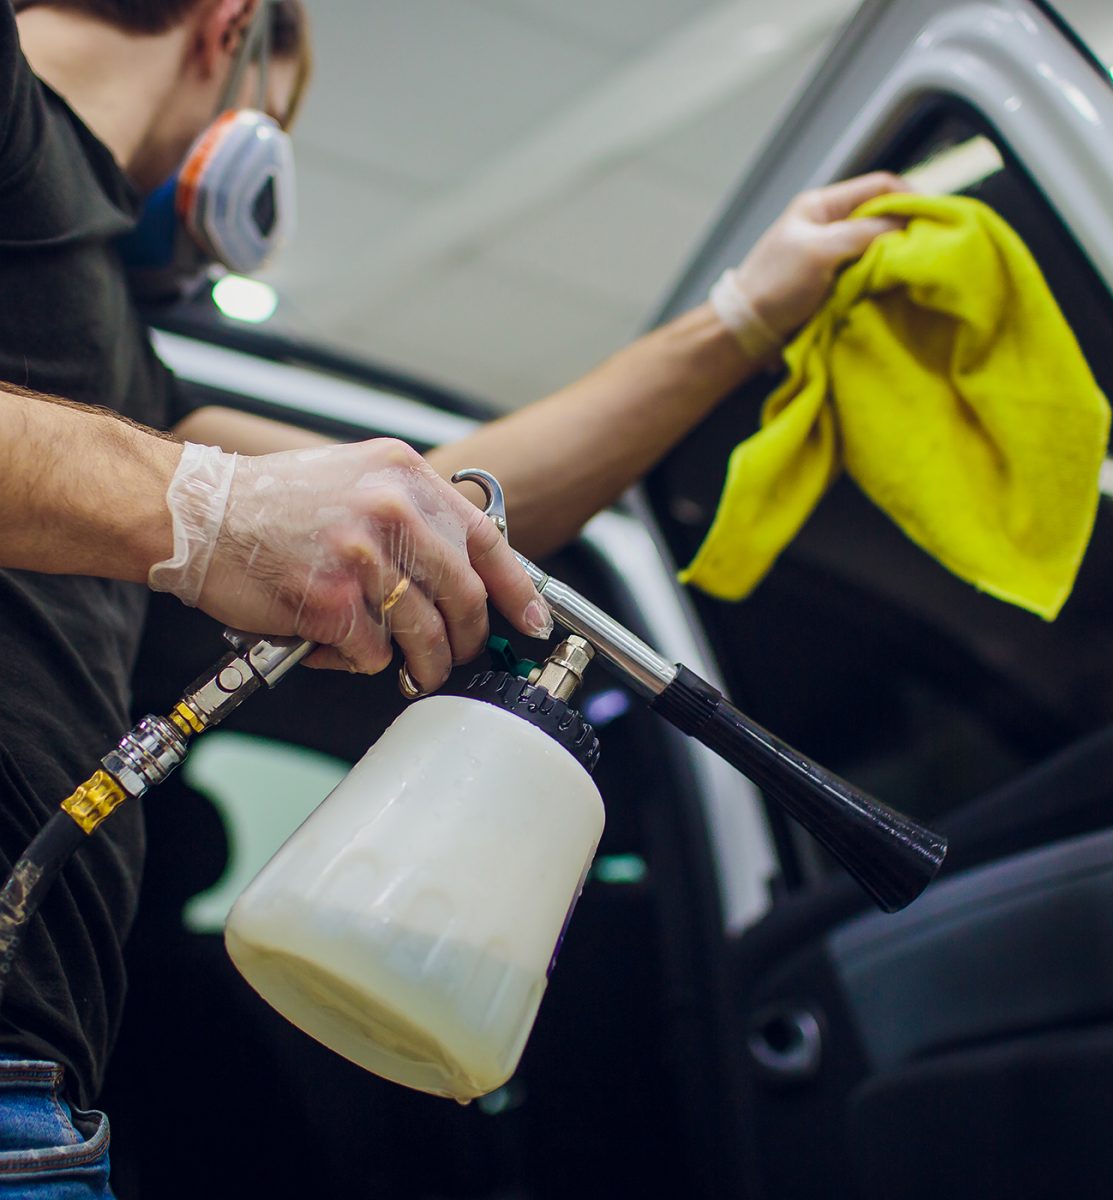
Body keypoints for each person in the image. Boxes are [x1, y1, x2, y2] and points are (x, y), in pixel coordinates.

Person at [0, 0, 906, 1190]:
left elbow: (447, 514)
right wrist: (197, 508)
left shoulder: (113, 341)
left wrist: (740, 319)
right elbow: (216, 495)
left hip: (40, 1096)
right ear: (228, 31)